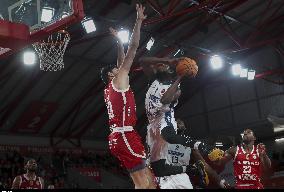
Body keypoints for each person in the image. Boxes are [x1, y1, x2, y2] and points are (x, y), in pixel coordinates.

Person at [140, 57, 229, 189]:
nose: (159, 65)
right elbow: (142, 60)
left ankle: (205, 147)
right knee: (159, 169)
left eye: (163, 66)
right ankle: (191, 169)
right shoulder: (153, 79)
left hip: (164, 120)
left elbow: (165, 99)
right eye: (159, 65)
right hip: (152, 126)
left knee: (168, 135)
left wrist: (180, 77)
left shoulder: (176, 88)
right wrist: (166, 60)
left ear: (170, 72)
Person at [101, 4, 156, 189]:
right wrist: (139, 21)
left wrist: (117, 41)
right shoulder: (118, 80)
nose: (122, 68)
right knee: (145, 185)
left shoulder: (111, 87)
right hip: (125, 135)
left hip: (118, 137)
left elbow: (121, 61)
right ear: (112, 75)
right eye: (117, 69)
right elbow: (133, 48)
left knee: (147, 181)